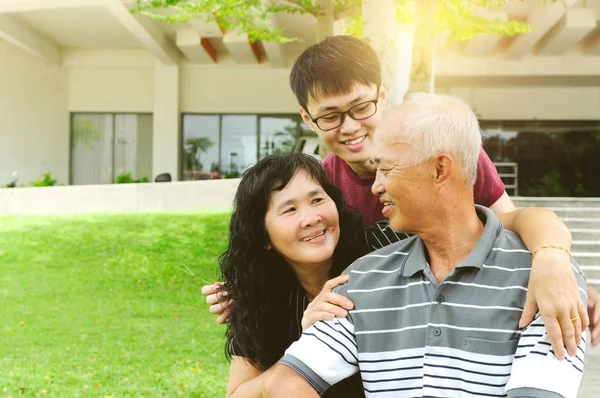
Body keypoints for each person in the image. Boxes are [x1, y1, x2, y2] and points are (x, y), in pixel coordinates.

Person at [204, 35, 599, 350]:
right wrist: (246, 293)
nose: (349, 127)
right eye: (330, 116)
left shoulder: (439, 152)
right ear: (307, 118)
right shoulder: (320, 189)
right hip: (382, 339)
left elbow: (512, 225)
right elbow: (295, 263)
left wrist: (556, 263)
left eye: (361, 107)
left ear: (383, 93)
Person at [264, 94, 588, 398]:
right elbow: (286, 383)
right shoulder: (362, 278)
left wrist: (552, 258)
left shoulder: (548, 281)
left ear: (439, 169)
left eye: (386, 167)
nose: (376, 185)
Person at [219, 153, 368, 397]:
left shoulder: (380, 251)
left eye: (318, 199)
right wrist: (303, 349)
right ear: (263, 236)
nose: (311, 218)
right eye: (289, 209)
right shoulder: (261, 297)